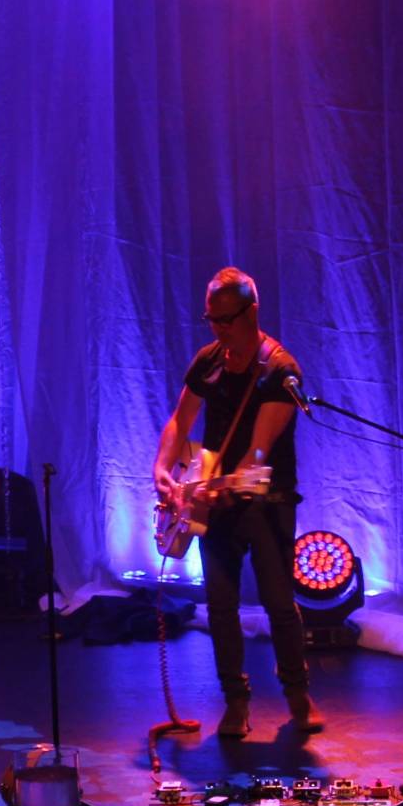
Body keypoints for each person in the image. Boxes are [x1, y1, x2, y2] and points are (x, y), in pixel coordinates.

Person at [152, 268, 323, 738]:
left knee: (278, 602)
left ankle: (297, 693)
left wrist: (227, 483)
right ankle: (235, 700)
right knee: (220, 603)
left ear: (252, 312)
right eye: (212, 319)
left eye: (227, 319)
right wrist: (163, 468)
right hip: (215, 497)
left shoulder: (279, 370)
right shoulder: (209, 360)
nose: (219, 329)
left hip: (267, 498)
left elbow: (258, 454)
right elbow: (181, 418)